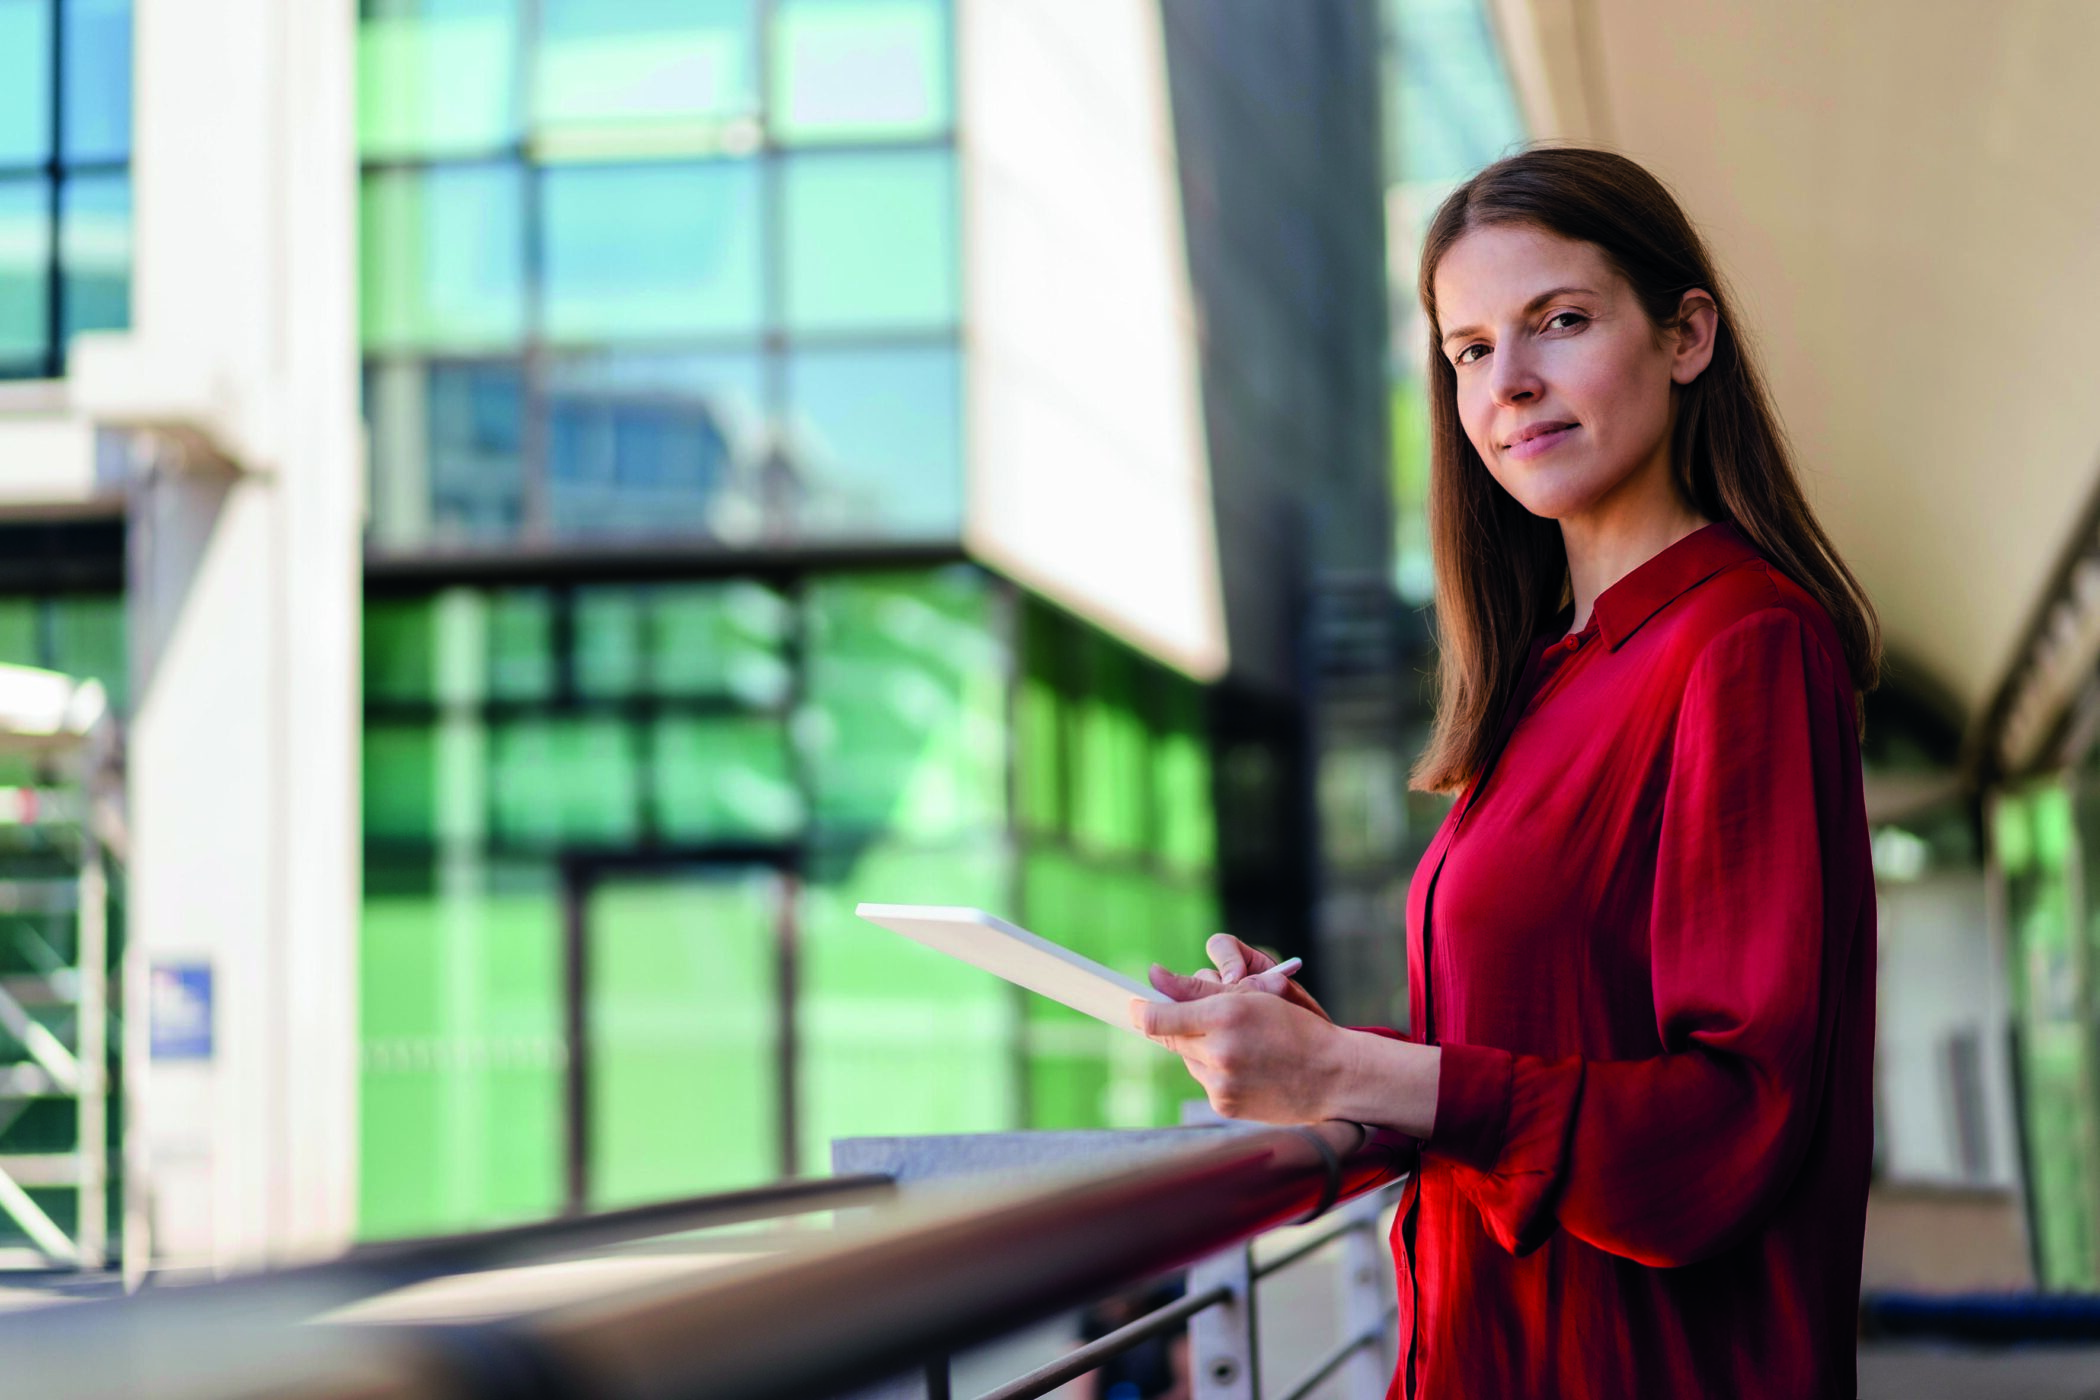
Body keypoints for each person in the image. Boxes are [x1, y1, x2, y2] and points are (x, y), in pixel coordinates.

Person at [1132, 146, 1880, 1399]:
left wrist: (1352, 1077)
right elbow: (1537, 1057)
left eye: (1561, 321)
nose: (1511, 384)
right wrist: (1319, 1045)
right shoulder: (1547, 678)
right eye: (1469, 349)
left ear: (1686, 334)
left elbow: (1733, 1119)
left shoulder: (1742, 642)